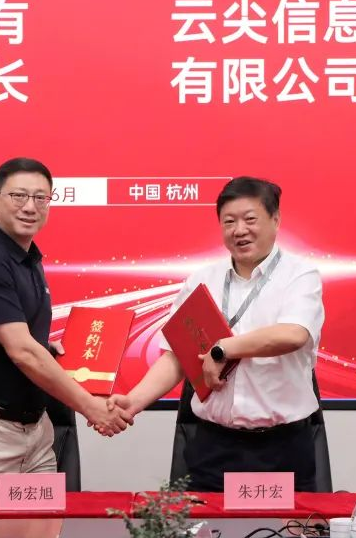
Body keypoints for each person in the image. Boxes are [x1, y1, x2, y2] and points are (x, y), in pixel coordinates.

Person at [108, 176, 324, 492]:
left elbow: (293, 334)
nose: (239, 230)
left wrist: (222, 349)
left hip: (283, 446)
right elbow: (177, 357)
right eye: (229, 222)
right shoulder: (202, 279)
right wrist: (132, 402)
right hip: (214, 446)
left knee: (283, 522)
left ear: (275, 220)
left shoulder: (299, 274)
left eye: (250, 219)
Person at [0, 157, 132, 494]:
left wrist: (47, 349)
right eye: (19, 196)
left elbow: (20, 340)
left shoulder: (28, 259)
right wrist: (91, 407)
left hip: (35, 433)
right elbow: (23, 352)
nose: (30, 207)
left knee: (39, 523)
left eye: (41, 198)